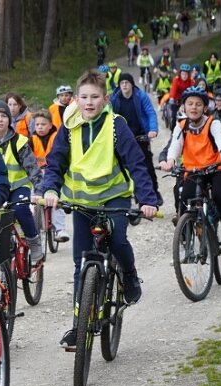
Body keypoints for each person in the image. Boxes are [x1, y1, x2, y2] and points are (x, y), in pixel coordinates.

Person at [37, 71, 157, 349]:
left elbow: (136, 163)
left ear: (105, 99)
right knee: (81, 265)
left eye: (94, 97)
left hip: (114, 198)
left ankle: (128, 274)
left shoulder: (116, 126)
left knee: (117, 241)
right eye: (83, 97)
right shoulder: (69, 126)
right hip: (82, 203)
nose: (89, 102)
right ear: (75, 100)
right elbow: (56, 162)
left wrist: (147, 199)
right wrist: (50, 189)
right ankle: (79, 327)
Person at [160, 86, 221, 258]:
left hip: (218, 167)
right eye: (190, 104)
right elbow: (175, 145)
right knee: (183, 198)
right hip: (195, 169)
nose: (194, 107)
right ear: (183, 107)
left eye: (198, 104)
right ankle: (185, 243)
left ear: (205, 108)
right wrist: (170, 160)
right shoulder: (181, 126)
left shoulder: (212, 123)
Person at [0, 100, 44, 261]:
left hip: (18, 187)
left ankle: (34, 241)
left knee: (20, 209)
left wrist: (39, 191)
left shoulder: (19, 142)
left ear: (10, 120)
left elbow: (33, 169)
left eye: (4, 116)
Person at [110, 72, 163, 206]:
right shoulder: (114, 98)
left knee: (147, 166)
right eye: (122, 83)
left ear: (132, 85)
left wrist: (152, 130)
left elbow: (150, 112)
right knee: (120, 167)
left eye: (127, 83)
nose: (124, 85)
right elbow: (108, 114)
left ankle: (154, 192)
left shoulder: (140, 96)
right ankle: (123, 197)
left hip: (140, 135)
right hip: (122, 138)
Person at [31, 110, 70, 242]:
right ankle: (33, 228)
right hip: (37, 173)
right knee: (33, 198)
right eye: (37, 124)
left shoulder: (57, 137)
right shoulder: (31, 140)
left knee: (57, 198)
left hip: (53, 171)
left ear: (50, 125)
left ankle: (60, 229)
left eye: (43, 124)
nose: (40, 127)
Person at [168, 63, 196, 130]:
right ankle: (172, 133)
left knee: (190, 116)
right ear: (180, 73)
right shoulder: (176, 79)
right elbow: (173, 89)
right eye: (183, 74)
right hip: (176, 100)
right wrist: (171, 97)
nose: (184, 76)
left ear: (188, 74)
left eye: (186, 74)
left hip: (186, 100)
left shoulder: (191, 81)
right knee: (174, 117)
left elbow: (193, 90)